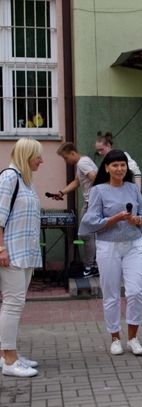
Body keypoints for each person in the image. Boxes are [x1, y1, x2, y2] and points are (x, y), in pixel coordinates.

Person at [79, 149, 142, 356]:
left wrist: (136, 220)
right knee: (110, 293)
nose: (120, 168)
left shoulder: (132, 188)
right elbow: (90, 221)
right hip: (108, 246)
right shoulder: (98, 190)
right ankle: (115, 338)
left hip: (134, 244)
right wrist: (114, 219)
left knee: (136, 291)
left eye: (123, 165)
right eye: (115, 165)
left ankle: (133, 338)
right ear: (107, 168)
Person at [0, 137, 43, 377]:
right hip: (11, 253)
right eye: (38, 155)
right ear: (27, 156)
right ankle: (10, 361)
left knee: (14, 304)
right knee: (13, 304)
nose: (42, 160)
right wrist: (1, 249)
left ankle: (5, 354)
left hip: (25, 253)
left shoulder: (26, 180)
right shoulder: (9, 178)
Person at [55, 142, 98, 277]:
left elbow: (96, 178)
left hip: (90, 203)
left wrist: (95, 199)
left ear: (73, 153)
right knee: (91, 235)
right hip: (92, 202)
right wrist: (62, 192)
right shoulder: (85, 161)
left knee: (86, 234)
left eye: (66, 158)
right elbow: (77, 182)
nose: (66, 161)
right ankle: (94, 265)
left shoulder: (81, 163)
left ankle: (90, 266)